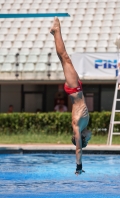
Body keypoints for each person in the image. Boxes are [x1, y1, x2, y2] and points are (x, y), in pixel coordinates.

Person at [50, 17, 91, 175]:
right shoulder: (83, 125)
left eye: (87, 139)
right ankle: (56, 32)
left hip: (74, 89)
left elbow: (78, 149)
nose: (90, 136)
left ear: (81, 137)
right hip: (77, 88)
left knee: (64, 57)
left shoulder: (77, 128)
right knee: (64, 58)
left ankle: (56, 32)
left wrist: (79, 167)